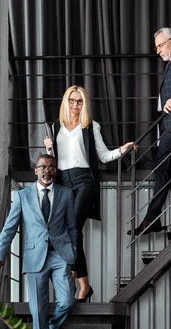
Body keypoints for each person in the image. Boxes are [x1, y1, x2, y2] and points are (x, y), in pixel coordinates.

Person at [0, 154, 77, 329]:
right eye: (42, 167)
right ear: (36, 170)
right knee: (37, 312)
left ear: (55, 171)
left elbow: (72, 228)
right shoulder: (23, 196)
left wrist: (73, 257)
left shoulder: (66, 194)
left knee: (67, 301)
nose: (47, 171)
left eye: (51, 167)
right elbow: (8, 229)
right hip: (35, 258)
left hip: (60, 255)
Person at [44, 85, 136, 302]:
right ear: (66, 102)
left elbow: (103, 156)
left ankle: (74, 275)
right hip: (63, 181)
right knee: (73, 232)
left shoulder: (90, 126)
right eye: (72, 100)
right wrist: (49, 149)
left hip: (84, 180)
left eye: (80, 101)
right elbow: (54, 161)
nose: (76, 105)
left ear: (84, 104)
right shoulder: (56, 127)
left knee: (72, 227)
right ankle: (84, 285)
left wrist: (123, 149)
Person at [128, 27, 171, 235]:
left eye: (160, 45)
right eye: (156, 47)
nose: (158, 51)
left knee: (161, 167)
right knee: (170, 169)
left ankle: (152, 219)